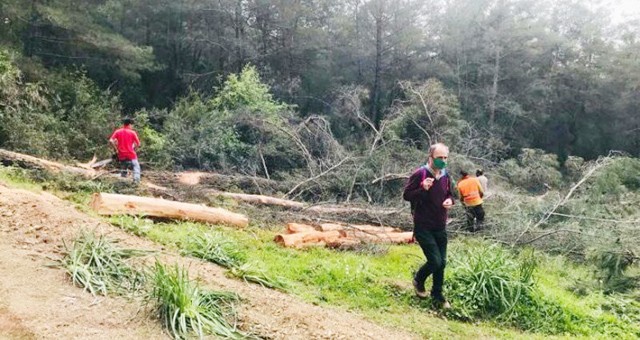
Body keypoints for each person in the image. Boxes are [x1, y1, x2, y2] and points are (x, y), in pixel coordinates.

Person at [403, 143, 455, 309]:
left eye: (445, 158)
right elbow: (407, 195)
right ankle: (419, 280)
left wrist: (450, 201)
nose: (443, 161)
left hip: (440, 225)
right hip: (423, 225)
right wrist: (423, 189)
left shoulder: (446, 175)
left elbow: (450, 194)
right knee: (435, 261)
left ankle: (437, 294)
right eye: (439, 158)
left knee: (442, 263)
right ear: (430, 157)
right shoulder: (420, 173)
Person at [109, 117, 141, 183]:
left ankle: (123, 181)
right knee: (136, 166)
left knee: (124, 168)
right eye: (132, 125)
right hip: (131, 154)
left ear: (124, 124)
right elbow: (138, 144)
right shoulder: (132, 132)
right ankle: (136, 180)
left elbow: (111, 141)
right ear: (129, 124)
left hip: (121, 154)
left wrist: (116, 149)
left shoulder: (118, 131)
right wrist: (135, 149)